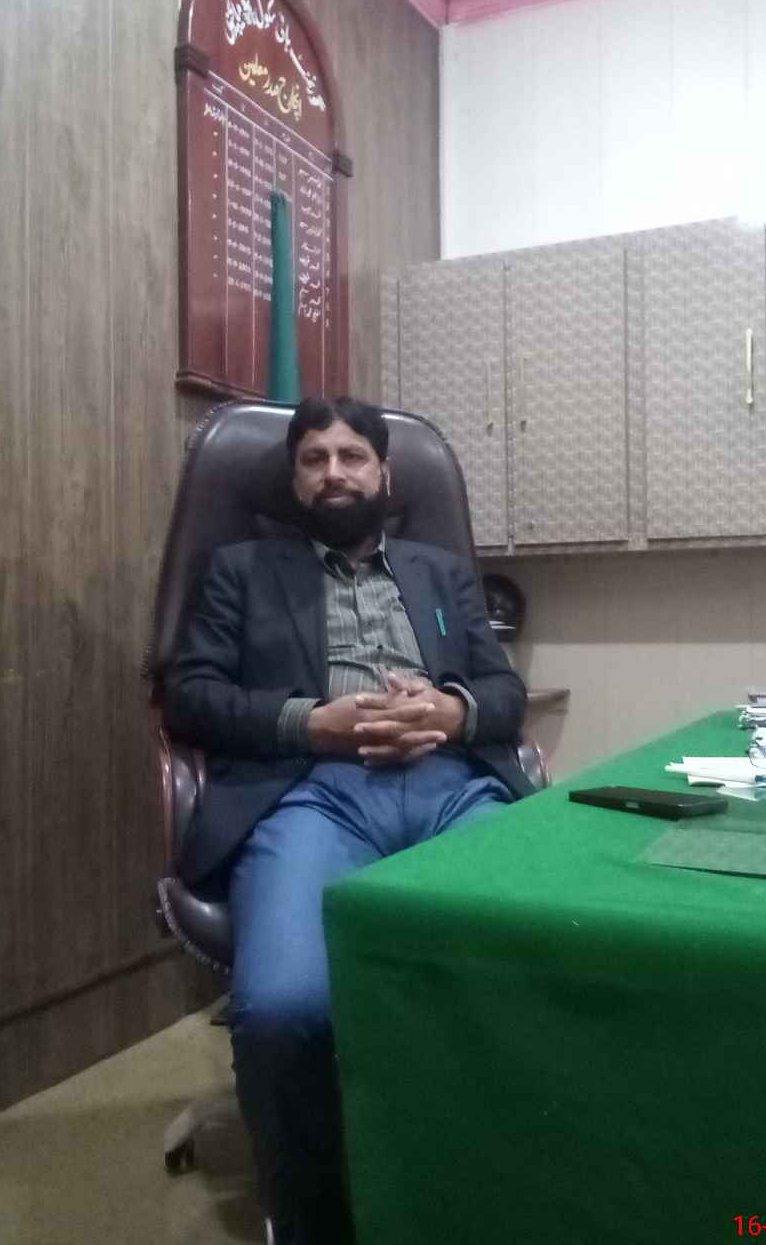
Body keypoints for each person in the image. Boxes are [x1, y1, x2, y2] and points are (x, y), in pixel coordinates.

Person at [164, 396, 533, 1245]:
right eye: (314, 458)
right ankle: (312, 1222)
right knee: (284, 1008)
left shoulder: (440, 572)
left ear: (385, 474)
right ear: (294, 479)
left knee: (519, 971)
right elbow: (191, 697)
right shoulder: (241, 570)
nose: (334, 472)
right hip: (312, 794)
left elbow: (505, 693)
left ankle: (494, 1196)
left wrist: (452, 710)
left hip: (452, 788)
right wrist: (310, 722)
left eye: (352, 456)